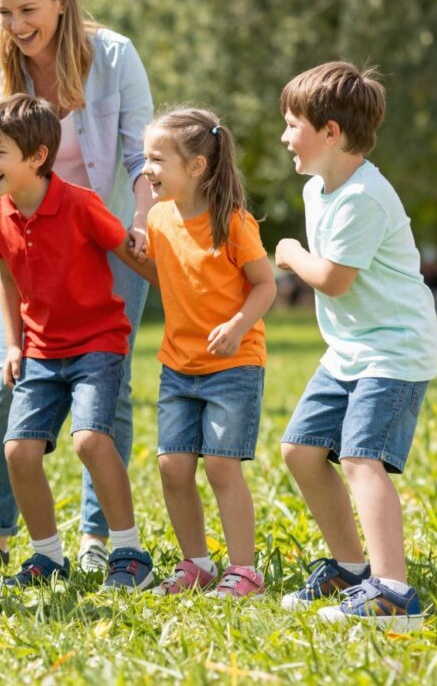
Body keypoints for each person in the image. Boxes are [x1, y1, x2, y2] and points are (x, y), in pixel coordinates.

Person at [0, 0, 154, 576]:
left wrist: (144, 224)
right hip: (29, 248)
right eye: (5, 13)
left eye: (28, 10)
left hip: (105, 236)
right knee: (6, 386)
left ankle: (100, 539)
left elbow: (140, 158)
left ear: (61, 2)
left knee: (107, 396)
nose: (16, 26)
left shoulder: (113, 56)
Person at [276, 62, 437, 631]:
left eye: (292, 124)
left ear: (330, 133)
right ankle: (350, 568)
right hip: (348, 350)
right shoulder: (319, 187)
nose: (283, 136)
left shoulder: (365, 196)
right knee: (300, 450)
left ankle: (393, 594)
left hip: (392, 351)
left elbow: (334, 279)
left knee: (362, 458)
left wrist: (290, 252)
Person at [0, 95, 154, 589]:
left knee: (91, 439)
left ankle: (128, 553)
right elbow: (7, 278)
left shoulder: (80, 203)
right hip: (40, 350)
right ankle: (47, 557)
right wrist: (14, 345)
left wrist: (186, 295)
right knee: (19, 452)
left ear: (36, 157)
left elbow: (130, 255)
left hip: (98, 343)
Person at [133, 109, 276, 599]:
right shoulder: (156, 219)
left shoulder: (232, 222)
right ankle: (195, 563)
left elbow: (265, 285)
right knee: (172, 466)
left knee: (220, 465)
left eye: (156, 159)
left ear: (195, 166)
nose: (146, 168)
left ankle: (244, 571)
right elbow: (167, 278)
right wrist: (131, 255)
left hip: (233, 365)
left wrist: (238, 325)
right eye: (145, 157)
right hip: (178, 364)